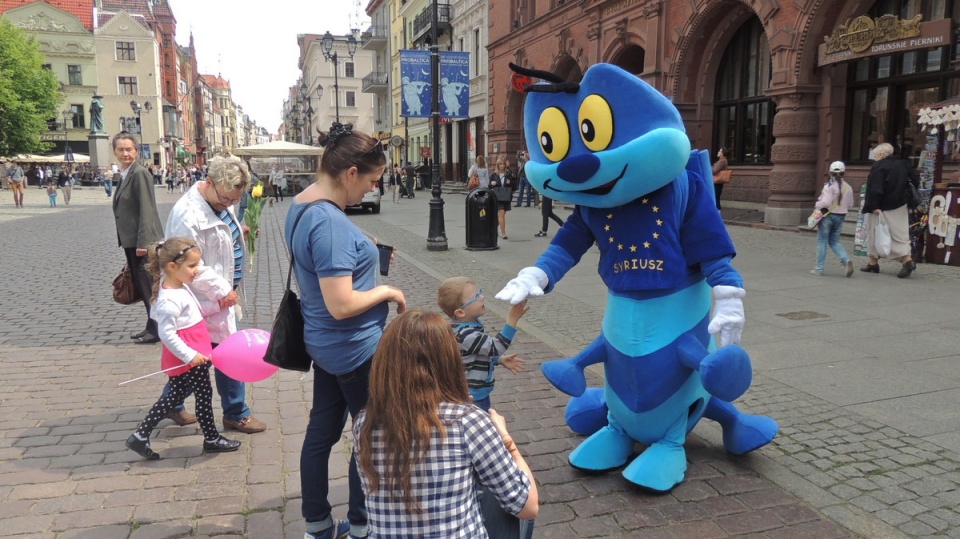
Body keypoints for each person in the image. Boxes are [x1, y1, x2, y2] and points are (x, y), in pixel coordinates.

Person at [285, 122, 405, 539]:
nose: (372, 189)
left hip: (323, 345)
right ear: (351, 174)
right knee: (370, 436)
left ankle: (317, 525)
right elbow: (341, 304)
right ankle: (361, 524)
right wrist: (387, 290)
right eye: (373, 181)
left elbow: (323, 261)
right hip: (352, 349)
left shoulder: (302, 204)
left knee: (321, 432)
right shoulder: (330, 223)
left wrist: (363, 246)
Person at [354, 309, 538, 538]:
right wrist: (506, 442)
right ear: (449, 360)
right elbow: (528, 507)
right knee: (507, 486)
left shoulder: (364, 422)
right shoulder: (468, 421)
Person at [163, 154, 265, 433]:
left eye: (235, 201)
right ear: (209, 183)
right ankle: (235, 413)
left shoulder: (219, 198)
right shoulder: (188, 215)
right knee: (214, 357)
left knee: (211, 356)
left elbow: (220, 235)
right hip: (204, 298)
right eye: (226, 200)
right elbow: (189, 264)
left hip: (221, 298)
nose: (230, 205)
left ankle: (176, 403)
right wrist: (222, 292)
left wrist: (239, 230)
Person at [124, 237, 241, 460]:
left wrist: (219, 304)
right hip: (189, 356)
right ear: (172, 266)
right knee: (203, 395)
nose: (197, 270)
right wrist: (190, 356)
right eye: (192, 266)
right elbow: (166, 334)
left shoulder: (181, 287)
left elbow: (195, 312)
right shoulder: (169, 299)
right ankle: (211, 438)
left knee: (175, 396)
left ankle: (140, 436)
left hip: (194, 352)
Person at [437, 276, 527, 412]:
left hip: (475, 392)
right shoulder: (466, 334)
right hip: (472, 395)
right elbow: (495, 347)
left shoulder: (469, 327)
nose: (482, 297)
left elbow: (478, 352)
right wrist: (512, 320)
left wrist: (499, 360)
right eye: (476, 296)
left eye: (480, 292)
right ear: (460, 312)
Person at [112, 132, 165, 344]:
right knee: (144, 286)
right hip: (131, 239)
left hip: (140, 241)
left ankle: (157, 329)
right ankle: (151, 325)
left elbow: (147, 208)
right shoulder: (127, 172)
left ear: (136, 150)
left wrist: (144, 243)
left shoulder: (140, 173)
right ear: (115, 151)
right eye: (121, 149)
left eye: (129, 149)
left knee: (148, 286)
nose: (125, 153)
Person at [861, 142, 919, 278]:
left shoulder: (879, 166)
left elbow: (876, 188)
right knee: (900, 234)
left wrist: (873, 205)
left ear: (881, 154)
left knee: (875, 233)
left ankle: (875, 263)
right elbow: (915, 180)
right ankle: (906, 260)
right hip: (900, 204)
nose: (874, 157)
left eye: (875, 154)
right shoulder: (903, 164)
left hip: (882, 206)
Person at [809, 161, 854, 277]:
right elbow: (850, 204)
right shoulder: (848, 187)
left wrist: (817, 204)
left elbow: (826, 202)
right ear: (844, 173)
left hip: (827, 216)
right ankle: (845, 259)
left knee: (822, 241)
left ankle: (819, 269)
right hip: (841, 216)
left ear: (830, 172)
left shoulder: (829, 186)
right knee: (834, 241)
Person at [489, 156, 516, 239]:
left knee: (503, 214)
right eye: (500, 164)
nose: (502, 166)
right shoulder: (494, 175)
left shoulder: (508, 174)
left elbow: (514, 186)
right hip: (497, 197)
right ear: (497, 165)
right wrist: (491, 183)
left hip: (506, 197)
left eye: (503, 164)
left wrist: (510, 182)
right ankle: (503, 233)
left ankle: (492, 229)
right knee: (501, 213)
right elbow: (489, 186)